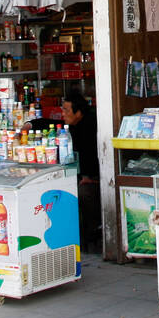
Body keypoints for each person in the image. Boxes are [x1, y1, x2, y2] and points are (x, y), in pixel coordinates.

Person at [61, 90, 102, 252]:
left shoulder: (92, 126)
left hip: (96, 179)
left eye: (66, 110)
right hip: (81, 176)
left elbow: (94, 158)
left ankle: (91, 234)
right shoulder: (70, 129)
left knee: (83, 194)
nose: (63, 113)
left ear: (78, 112)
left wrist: (89, 177)